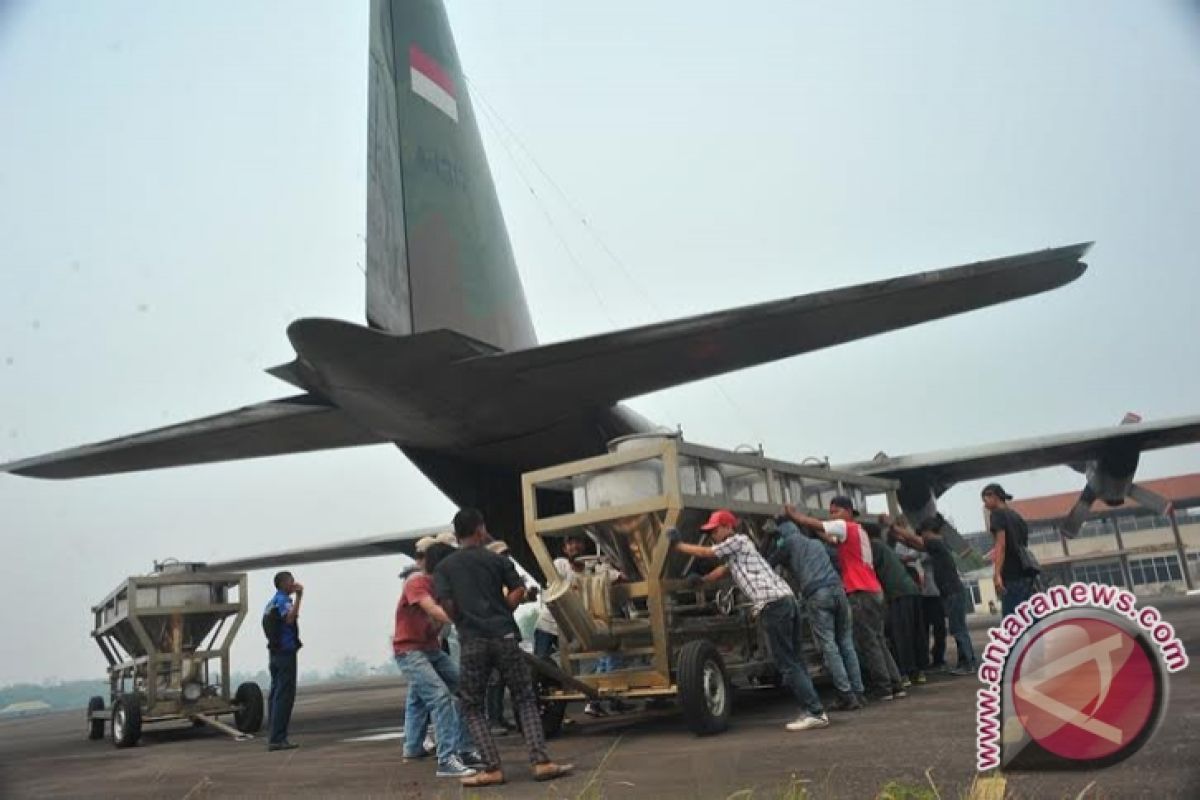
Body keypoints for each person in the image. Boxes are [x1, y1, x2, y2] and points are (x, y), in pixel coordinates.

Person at [434, 508, 574, 787]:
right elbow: (518, 591)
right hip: (505, 636)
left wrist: (461, 619)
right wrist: (504, 609)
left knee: (472, 705)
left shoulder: (445, 567)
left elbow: (445, 602)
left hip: (472, 641)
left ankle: (492, 767)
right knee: (524, 698)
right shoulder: (496, 560)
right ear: (479, 529)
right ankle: (541, 762)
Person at [669, 509, 830, 731]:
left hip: (773, 604)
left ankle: (814, 712)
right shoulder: (740, 552)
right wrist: (702, 581)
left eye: (714, 530)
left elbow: (708, 553)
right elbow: (723, 571)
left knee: (787, 663)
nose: (712, 535)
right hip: (784, 600)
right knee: (795, 659)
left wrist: (678, 545)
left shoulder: (738, 540)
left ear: (727, 526)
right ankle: (813, 708)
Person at [785, 497, 901, 701]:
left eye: (835, 511)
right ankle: (895, 683)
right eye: (830, 512)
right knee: (879, 640)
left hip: (860, 590)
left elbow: (821, 525)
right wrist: (816, 528)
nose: (832, 516)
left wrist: (797, 516)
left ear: (848, 511)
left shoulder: (845, 526)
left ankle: (883, 687)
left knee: (868, 642)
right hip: (874, 589)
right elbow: (830, 539)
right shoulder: (859, 531)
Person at [393, 543, 482, 778]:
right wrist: (463, 619)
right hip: (410, 651)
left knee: (464, 690)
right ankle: (446, 760)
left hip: (430, 649)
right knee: (440, 697)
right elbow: (432, 609)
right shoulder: (417, 582)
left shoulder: (447, 586)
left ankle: (464, 749)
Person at [767, 517, 865, 710]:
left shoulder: (788, 543)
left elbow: (769, 563)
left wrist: (769, 539)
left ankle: (846, 695)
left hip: (818, 595)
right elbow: (836, 558)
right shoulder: (816, 543)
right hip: (839, 591)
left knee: (829, 645)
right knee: (846, 642)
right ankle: (859, 692)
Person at [892, 516, 978, 675]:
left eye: (923, 533)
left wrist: (893, 526)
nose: (922, 536)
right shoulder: (939, 544)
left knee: (958, 629)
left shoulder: (936, 542)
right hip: (951, 592)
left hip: (952, 592)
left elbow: (914, 539)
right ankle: (966, 661)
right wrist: (899, 538)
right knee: (958, 628)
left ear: (928, 532)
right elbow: (915, 544)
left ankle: (968, 663)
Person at [864, 522, 924, 688]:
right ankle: (917, 672)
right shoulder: (884, 546)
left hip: (899, 594)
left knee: (900, 635)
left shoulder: (874, 547)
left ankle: (905, 672)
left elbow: (868, 568)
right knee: (912, 633)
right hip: (909, 591)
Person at [982, 483, 1038, 617]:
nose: (985, 505)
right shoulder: (1016, 516)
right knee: (1029, 618)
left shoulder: (997, 515)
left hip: (1011, 574)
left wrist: (997, 574)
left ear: (994, 496)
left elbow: (1001, 545)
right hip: (1025, 572)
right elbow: (1019, 544)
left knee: (1011, 622)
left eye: (985, 500)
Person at [262, 571, 303, 751]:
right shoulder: (283, 601)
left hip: (275, 653)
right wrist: (300, 597)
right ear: (284, 583)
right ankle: (278, 738)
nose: (293, 584)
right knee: (284, 696)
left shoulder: (271, 602)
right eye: (291, 581)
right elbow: (289, 618)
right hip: (285, 652)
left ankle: (273, 735)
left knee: (275, 694)